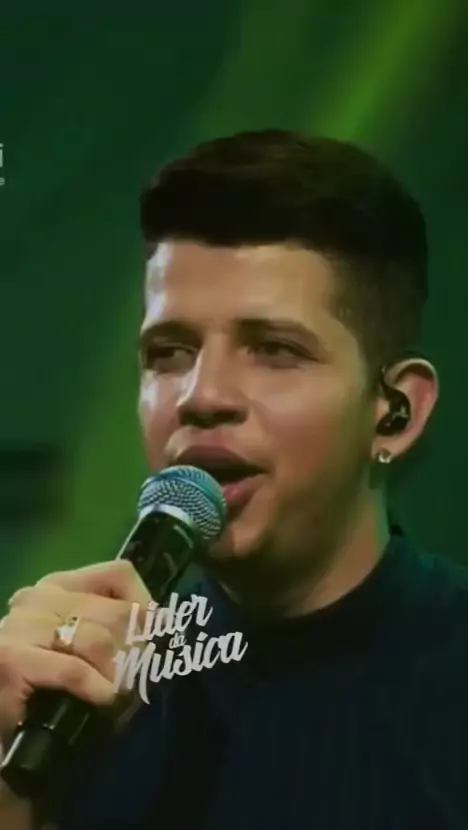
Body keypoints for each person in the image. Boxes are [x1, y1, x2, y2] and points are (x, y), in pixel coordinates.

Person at [0, 128, 466, 830]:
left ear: (394, 413)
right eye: (169, 352)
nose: (201, 395)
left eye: (273, 349)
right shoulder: (71, 695)